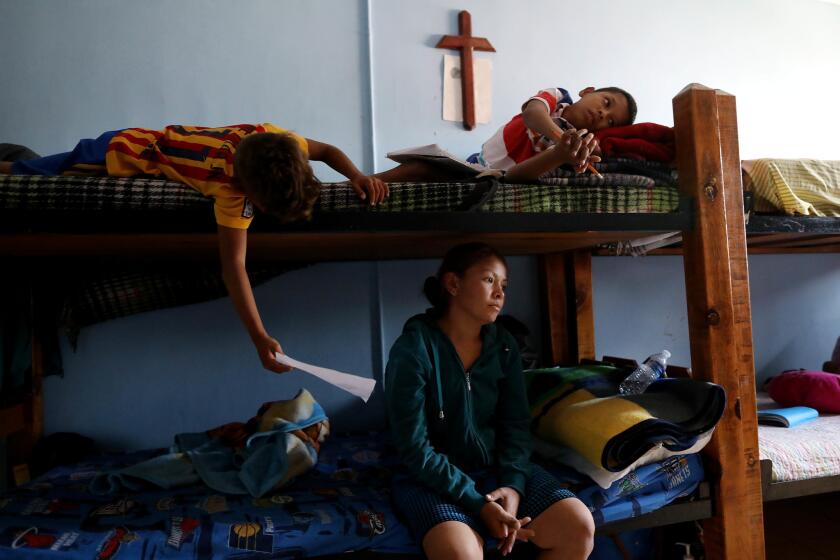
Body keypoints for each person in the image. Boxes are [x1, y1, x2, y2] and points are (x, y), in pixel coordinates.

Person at [0, 124, 388, 374]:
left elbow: (328, 151)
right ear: (249, 194)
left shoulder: (274, 138)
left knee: (28, 168)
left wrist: (358, 176)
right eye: (264, 210)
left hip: (143, 136)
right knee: (23, 176)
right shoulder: (229, 188)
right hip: (118, 153)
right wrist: (259, 336)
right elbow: (234, 267)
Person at [385, 243, 595, 559]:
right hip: (431, 478)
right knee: (460, 554)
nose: (500, 293)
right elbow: (415, 449)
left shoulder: (504, 347)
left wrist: (512, 486)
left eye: (504, 285)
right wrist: (479, 505)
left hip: (493, 469)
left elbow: (515, 427)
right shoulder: (414, 350)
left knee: (578, 527)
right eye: (489, 280)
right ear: (453, 284)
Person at [376, 85, 636, 184]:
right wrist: (559, 138)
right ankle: (358, 186)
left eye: (611, 120)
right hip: (476, 162)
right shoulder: (557, 97)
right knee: (419, 166)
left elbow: (517, 176)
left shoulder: (578, 145)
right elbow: (532, 114)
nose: (603, 113)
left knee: (422, 170)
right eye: (605, 102)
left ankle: (358, 188)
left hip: (498, 178)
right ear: (586, 91)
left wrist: (562, 153)